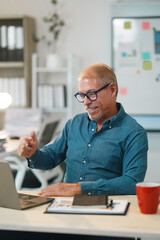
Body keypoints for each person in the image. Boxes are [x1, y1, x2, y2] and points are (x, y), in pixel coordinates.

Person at [17, 63, 148, 197]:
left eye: (91, 94)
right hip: (67, 205)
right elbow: (50, 158)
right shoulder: (74, 124)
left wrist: (80, 189)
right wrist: (32, 153)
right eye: (81, 95)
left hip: (107, 208)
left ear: (112, 90)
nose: (85, 102)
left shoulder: (134, 133)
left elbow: (132, 183)